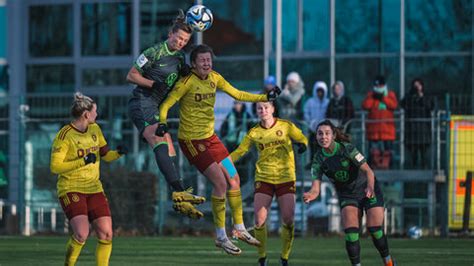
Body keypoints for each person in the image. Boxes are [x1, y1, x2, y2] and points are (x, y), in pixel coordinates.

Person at [158, 44, 281, 255]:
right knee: (221, 183)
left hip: (211, 139)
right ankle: (221, 236)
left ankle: (239, 228)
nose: (207, 63)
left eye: (209, 60)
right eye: (202, 60)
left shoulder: (216, 78)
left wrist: (265, 97)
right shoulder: (186, 82)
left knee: (234, 179)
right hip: (192, 142)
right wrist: (162, 122)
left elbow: (239, 94)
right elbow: (166, 105)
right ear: (194, 64)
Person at [126, 10, 205, 218]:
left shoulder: (179, 58)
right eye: (178, 38)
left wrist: (186, 72)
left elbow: (177, 80)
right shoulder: (153, 52)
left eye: (185, 41)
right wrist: (153, 84)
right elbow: (131, 75)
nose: (181, 43)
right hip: (141, 103)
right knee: (159, 141)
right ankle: (179, 192)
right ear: (170, 34)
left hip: (156, 108)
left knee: (170, 149)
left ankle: (178, 198)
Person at [303, 119, 396, 266]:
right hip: (347, 194)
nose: (323, 137)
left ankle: (389, 262)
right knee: (351, 234)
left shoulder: (347, 149)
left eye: (327, 133)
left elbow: (369, 171)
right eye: (320, 134)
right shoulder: (318, 159)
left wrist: (370, 187)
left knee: (374, 229)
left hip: (367, 188)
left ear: (333, 135)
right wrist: (310, 195)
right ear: (316, 137)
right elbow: (316, 188)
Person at [50, 93, 127, 266]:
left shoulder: (95, 130)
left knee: (106, 234)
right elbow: (55, 167)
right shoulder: (64, 136)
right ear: (86, 114)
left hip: (94, 189)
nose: (97, 115)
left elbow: (105, 155)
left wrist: (119, 153)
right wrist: (82, 161)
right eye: (95, 111)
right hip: (71, 188)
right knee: (82, 234)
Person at [230, 101, 308, 266]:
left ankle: (284, 257)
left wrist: (303, 145)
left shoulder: (286, 126)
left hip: (286, 177)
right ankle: (262, 258)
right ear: (256, 111)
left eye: (266, 107)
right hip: (264, 178)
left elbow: (302, 138)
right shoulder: (254, 132)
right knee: (259, 220)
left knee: (288, 219)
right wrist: (225, 162)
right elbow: (240, 151)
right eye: (260, 108)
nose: (263, 110)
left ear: (273, 109)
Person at [361, 75, 398, 169]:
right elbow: (366, 105)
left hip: (387, 130)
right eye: (376, 86)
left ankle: (390, 170)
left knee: (388, 152)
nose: (378, 88)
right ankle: (372, 171)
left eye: (380, 86)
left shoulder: (390, 94)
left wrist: (383, 98)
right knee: (373, 152)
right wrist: (374, 98)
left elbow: (393, 105)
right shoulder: (371, 95)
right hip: (374, 130)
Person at [400, 78, 435, 169]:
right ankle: (413, 167)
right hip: (412, 129)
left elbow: (431, 106)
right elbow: (403, 104)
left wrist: (421, 96)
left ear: (422, 86)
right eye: (415, 86)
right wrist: (412, 96)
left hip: (423, 129)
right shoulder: (409, 97)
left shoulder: (426, 96)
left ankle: (424, 166)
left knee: (424, 152)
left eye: (418, 85)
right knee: (413, 152)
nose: (417, 88)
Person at [303, 81, 329, 167]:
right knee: (313, 146)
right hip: (313, 129)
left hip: (324, 130)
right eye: (318, 91)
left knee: (324, 146)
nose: (320, 93)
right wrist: (310, 122)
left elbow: (329, 113)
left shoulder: (327, 102)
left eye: (322, 91)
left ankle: (323, 163)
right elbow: (306, 112)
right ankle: (313, 162)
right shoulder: (310, 102)